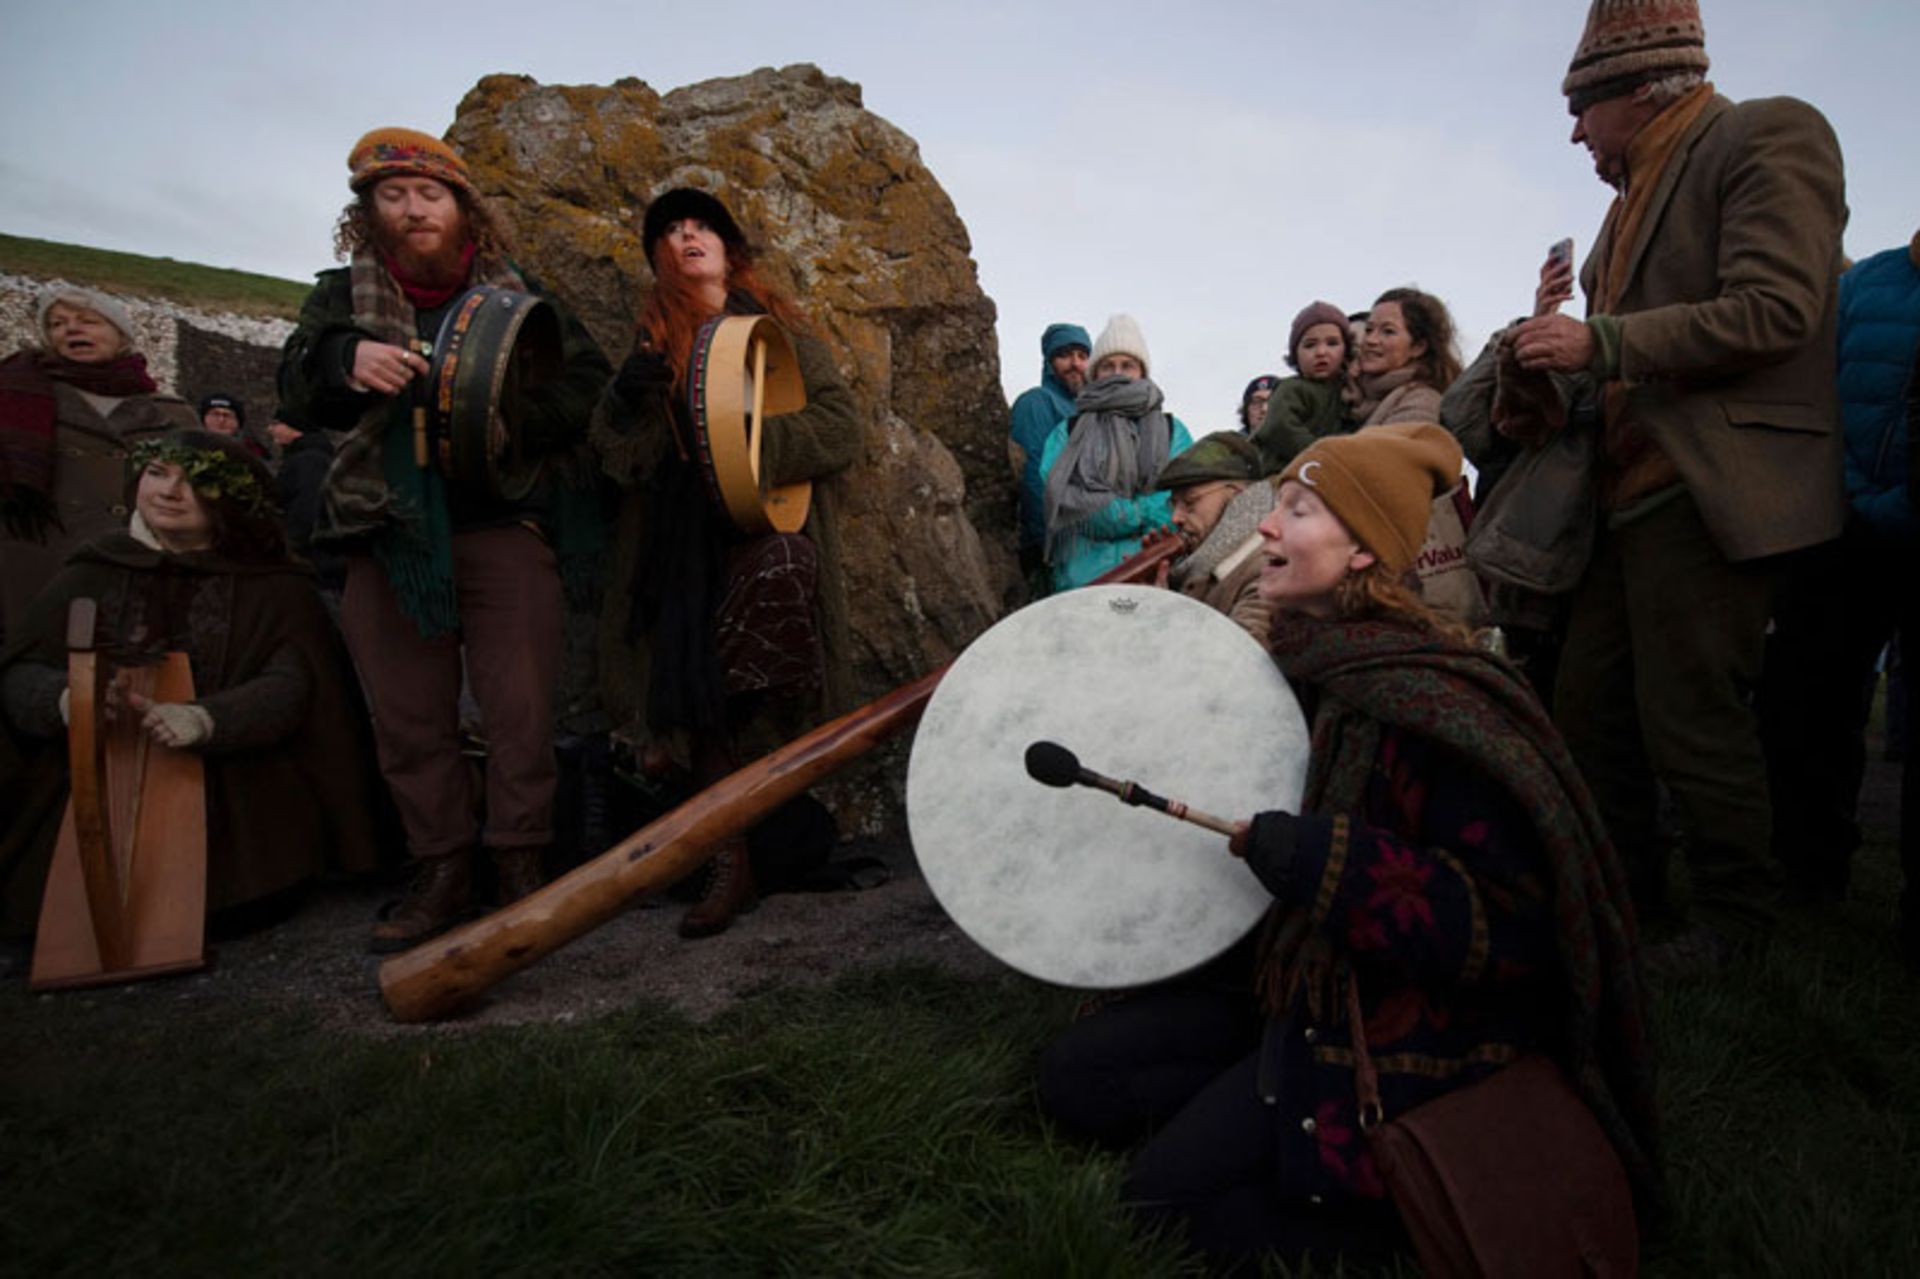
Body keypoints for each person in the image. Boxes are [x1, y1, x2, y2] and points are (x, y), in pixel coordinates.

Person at [1037, 423, 1656, 1270]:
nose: (1265, 526)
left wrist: (1328, 862)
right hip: (1294, 983)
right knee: (1073, 1078)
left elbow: (1511, 927)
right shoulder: (1297, 671)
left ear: (1363, 552)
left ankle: (1433, 1221)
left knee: (1167, 1206)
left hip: (1414, 1030)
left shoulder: (1439, 702)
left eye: (1297, 510)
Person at [1508, 0, 1847, 974]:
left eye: (1582, 108)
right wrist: (1550, 350)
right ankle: (1626, 900)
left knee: (1690, 713)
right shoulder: (1617, 213)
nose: (1574, 130)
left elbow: (1779, 306)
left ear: (1637, 89)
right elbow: (1605, 360)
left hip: (1705, 491)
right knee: (1589, 707)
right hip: (1622, 498)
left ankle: (1739, 926)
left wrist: (1603, 340)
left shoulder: (1765, 133)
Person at [277, 127, 612, 952]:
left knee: (521, 707)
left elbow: (587, 388)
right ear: (368, 214)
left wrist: (501, 417)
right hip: (385, 529)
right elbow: (293, 381)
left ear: (464, 207)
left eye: (430, 194)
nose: (413, 208)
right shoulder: (338, 301)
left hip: (501, 523)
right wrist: (345, 360)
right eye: (393, 196)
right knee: (409, 718)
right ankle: (441, 870)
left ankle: (519, 865)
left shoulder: (519, 295)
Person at [592, 187, 859, 939]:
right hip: (679, 553)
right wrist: (625, 403)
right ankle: (727, 861)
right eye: (671, 232)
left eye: (700, 225)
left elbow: (839, 426)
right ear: (660, 259)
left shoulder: (782, 334)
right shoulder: (650, 342)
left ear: (727, 247)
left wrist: (745, 449)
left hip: (760, 528)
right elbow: (616, 461)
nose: (687, 237)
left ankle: (753, 833)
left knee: (774, 599)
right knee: (693, 676)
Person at [0, 430, 385, 937]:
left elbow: (295, 684)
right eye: (156, 475)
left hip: (242, 803)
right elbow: (20, 672)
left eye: (193, 483)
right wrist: (68, 700)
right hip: (95, 787)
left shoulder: (274, 586)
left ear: (231, 502)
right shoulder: (90, 571)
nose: (167, 492)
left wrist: (208, 719)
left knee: (235, 905)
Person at [1759, 231, 1918, 962]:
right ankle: (1809, 871)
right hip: (1842, 524)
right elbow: (1813, 390)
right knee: (1809, 699)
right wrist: (1844, 493)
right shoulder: (1869, 283)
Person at [1, 285, 198, 639]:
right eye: (58, 324)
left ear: (120, 334)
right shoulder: (18, 403)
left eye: (88, 321)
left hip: (144, 573)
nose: (72, 330)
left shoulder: (172, 413)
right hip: (40, 566)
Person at [1038, 314, 1194, 592]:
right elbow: (1061, 491)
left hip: (1153, 572)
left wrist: (1124, 513)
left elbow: (1182, 493)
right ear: (1094, 373)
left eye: (1127, 365)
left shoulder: (1172, 429)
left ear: (1142, 372)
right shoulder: (1069, 430)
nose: (1117, 373)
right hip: (1081, 578)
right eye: (1107, 366)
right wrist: (1134, 515)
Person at [1153, 431, 1274, 643]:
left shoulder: (1268, 571)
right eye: (1173, 504)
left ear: (1237, 495)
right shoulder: (1199, 561)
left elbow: (1236, 663)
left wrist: (1165, 610)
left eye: (1190, 502)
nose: (1176, 518)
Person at [1009, 323, 1091, 594]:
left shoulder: (1092, 412)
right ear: (1049, 361)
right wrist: (1046, 543)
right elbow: (1034, 476)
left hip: (1091, 541)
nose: (1075, 364)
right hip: (1055, 547)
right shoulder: (1037, 403)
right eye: (1065, 355)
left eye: (1082, 355)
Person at [1250, 301, 1354, 473]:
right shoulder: (1291, 389)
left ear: (1346, 350)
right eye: (1310, 345)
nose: (1321, 352)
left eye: (1332, 343)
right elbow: (1279, 427)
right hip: (1282, 475)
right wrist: (1319, 455)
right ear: (1295, 354)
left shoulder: (1349, 392)